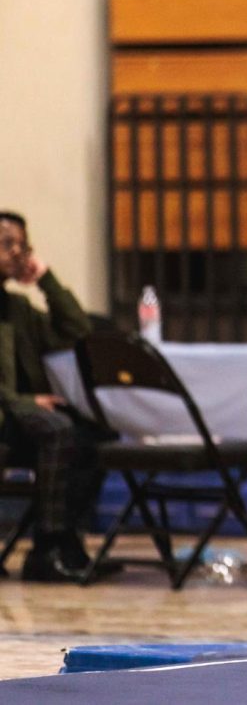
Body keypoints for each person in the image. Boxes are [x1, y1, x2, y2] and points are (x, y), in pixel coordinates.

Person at [0, 211, 110, 582]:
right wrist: (25, 403)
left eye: (23, 245)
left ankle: (67, 542)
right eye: (7, 244)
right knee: (58, 429)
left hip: (20, 418)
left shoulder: (17, 309)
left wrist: (46, 279)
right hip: (10, 414)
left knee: (95, 435)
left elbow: (78, 330)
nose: (17, 253)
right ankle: (46, 546)